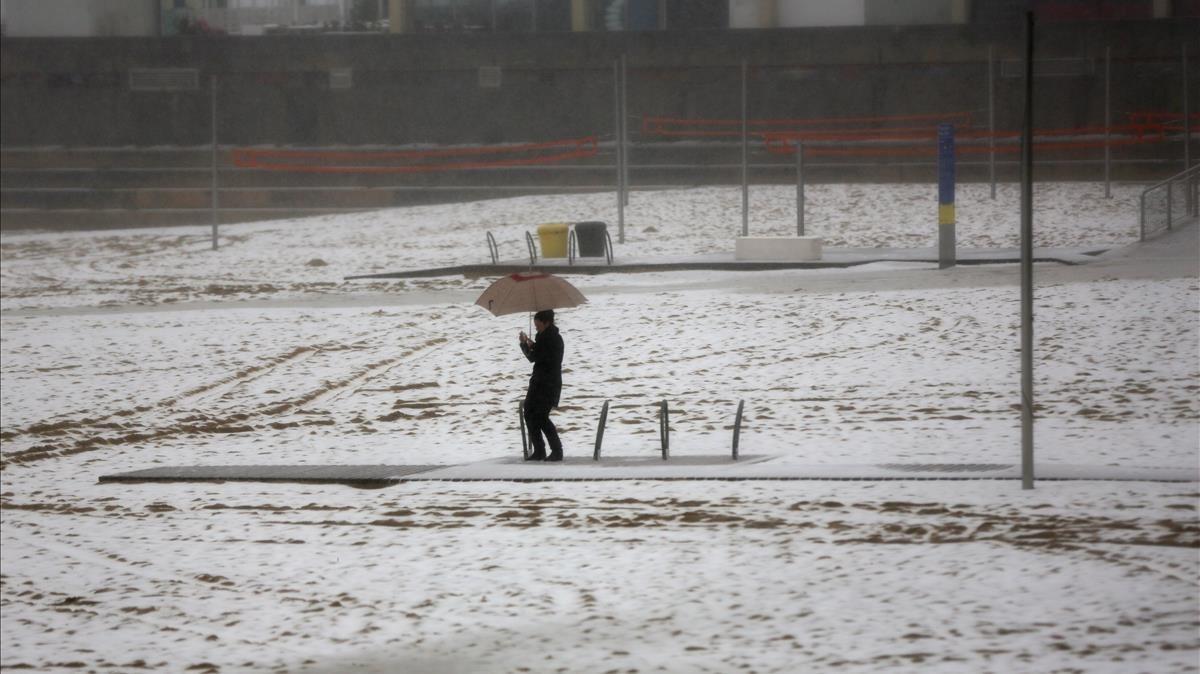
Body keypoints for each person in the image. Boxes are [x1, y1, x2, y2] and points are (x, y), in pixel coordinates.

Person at [519, 309, 564, 462]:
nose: (536, 328)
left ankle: (557, 451)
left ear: (547, 322)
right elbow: (539, 353)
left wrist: (524, 344)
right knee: (529, 413)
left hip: (548, 384)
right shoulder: (546, 337)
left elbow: (534, 357)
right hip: (539, 382)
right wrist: (532, 344)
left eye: (537, 326)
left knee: (541, 417)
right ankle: (539, 450)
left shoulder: (552, 339)